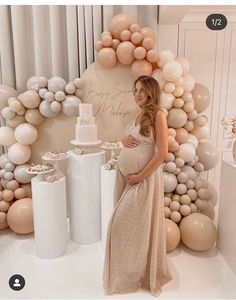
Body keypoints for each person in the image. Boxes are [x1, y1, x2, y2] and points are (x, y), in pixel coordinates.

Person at [103, 75, 173, 297]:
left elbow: (162, 153)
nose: (137, 94)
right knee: (133, 228)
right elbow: (133, 140)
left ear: (152, 91)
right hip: (128, 178)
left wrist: (140, 176)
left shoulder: (159, 115)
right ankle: (127, 274)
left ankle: (136, 275)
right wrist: (123, 141)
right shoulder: (138, 114)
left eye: (142, 90)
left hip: (144, 180)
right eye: (135, 91)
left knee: (121, 224)